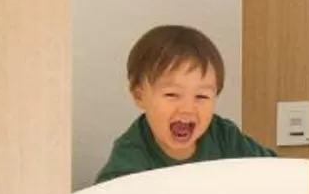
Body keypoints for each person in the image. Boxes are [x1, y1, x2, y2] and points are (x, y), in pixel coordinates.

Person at [95, 26, 274, 181]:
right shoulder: (132, 154)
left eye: (202, 96)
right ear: (139, 96)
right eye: (172, 94)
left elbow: (276, 171)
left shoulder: (225, 137)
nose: (188, 108)